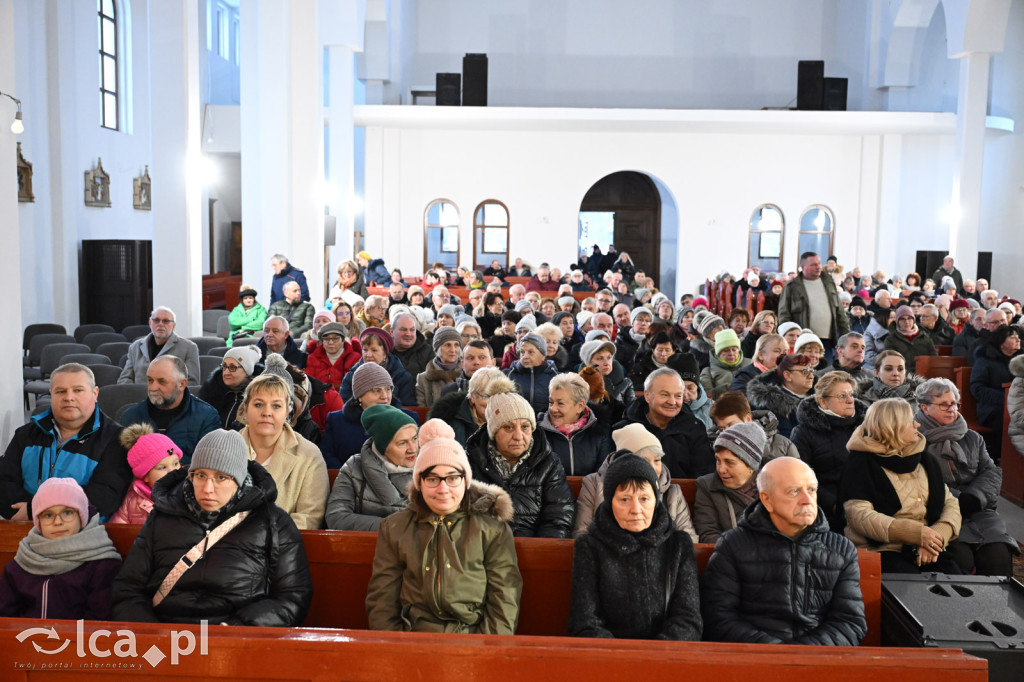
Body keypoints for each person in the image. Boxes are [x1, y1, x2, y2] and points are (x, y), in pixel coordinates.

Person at [111, 429, 313, 625]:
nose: (207, 489)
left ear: (240, 480)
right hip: (167, 637)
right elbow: (128, 589)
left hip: (237, 641)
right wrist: (154, 636)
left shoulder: (273, 522)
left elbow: (292, 596)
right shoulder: (163, 515)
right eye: (200, 475)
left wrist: (240, 628)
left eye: (221, 477)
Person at [366, 431, 522, 633]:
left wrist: (486, 649)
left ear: (465, 481)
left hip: (472, 636)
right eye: (432, 479)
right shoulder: (395, 528)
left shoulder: (491, 528)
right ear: (419, 483)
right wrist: (395, 646)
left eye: (452, 478)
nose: (443, 489)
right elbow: (382, 599)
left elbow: (504, 597)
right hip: (414, 636)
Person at [701, 457, 867, 645]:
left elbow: (849, 622)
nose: (807, 500)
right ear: (767, 500)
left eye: (812, 490)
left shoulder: (840, 549)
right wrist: (776, 653)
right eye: (794, 491)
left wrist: (803, 654)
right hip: (753, 660)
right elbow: (718, 618)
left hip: (818, 661)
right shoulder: (734, 545)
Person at [569, 454, 702, 640]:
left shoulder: (678, 544)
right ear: (609, 502)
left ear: (656, 501)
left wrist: (654, 657)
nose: (636, 509)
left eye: (644, 499)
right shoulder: (590, 546)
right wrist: (622, 660)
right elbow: (585, 621)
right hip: (609, 659)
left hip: (666, 658)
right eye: (625, 499)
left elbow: (688, 619)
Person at [841, 398, 963, 574]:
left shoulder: (925, 459)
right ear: (893, 426)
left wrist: (937, 537)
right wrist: (917, 534)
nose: (917, 425)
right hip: (883, 548)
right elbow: (860, 517)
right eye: (910, 421)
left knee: (956, 585)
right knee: (910, 591)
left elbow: (950, 502)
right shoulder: (861, 463)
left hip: (928, 543)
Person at [0, 364, 131, 521]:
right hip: (25, 526)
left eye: (78, 390)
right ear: (51, 395)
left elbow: (106, 495)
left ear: (94, 393)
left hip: (84, 534)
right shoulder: (25, 434)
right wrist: (28, 514)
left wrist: (37, 510)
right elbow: (4, 481)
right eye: (60, 391)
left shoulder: (116, 439)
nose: (69, 397)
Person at [914, 378, 1017, 576]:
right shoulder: (913, 437)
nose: (951, 408)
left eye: (954, 403)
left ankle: (994, 607)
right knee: (960, 559)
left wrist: (974, 497)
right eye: (944, 404)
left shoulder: (972, 437)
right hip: (938, 513)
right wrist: (955, 500)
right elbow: (916, 479)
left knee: (998, 555)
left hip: (978, 509)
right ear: (925, 408)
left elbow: (991, 472)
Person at [0, 478, 122, 619]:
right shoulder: (20, 564)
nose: (58, 522)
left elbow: (99, 618)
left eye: (68, 512)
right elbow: (5, 616)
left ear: (81, 515)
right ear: (38, 520)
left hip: (79, 639)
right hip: (25, 638)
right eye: (48, 515)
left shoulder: (101, 565)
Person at [465, 392, 575, 537]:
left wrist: (538, 552)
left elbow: (558, 516)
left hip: (533, 550)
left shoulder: (549, 463)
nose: (518, 436)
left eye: (525, 427)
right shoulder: (469, 462)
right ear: (494, 432)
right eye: (508, 427)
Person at [237, 372, 329, 530]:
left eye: (276, 406)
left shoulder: (309, 454)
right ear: (245, 408)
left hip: (281, 547)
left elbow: (309, 517)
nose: (267, 412)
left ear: (287, 411)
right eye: (258, 404)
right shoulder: (225, 447)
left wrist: (258, 536)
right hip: (227, 545)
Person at [574, 424, 696, 540]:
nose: (652, 468)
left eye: (657, 460)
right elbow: (583, 532)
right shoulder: (594, 483)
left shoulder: (673, 492)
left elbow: (688, 538)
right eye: (644, 460)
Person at [789, 371, 868, 531]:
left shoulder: (865, 427)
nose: (850, 400)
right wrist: (833, 505)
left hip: (866, 506)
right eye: (842, 396)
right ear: (823, 402)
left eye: (851, 394)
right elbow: (802, 477)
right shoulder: (804, 432)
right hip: (824, 512)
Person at [326, 405, 421, 530]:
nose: (413, 449)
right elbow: (336, 516)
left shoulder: (429, 466)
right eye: (402, 443)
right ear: (383, 448)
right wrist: (392, 527)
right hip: (367, 545)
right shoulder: (354, 466)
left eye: (414, 439)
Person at [615, 368, 715, 478]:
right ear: (648, 396)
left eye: (678, 396)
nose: (672, 402)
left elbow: (704, 474)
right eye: (664, 395)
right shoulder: (625, 430)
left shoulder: (694, 428)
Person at [120, 356, 221, 463]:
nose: (153, 388)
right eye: (150, 380)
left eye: (162, 382)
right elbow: (120, 466)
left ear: (181, 384)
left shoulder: (206, 416)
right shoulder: (131, 416)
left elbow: (208, 465)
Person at [320, 363, 419, 468]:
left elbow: (418, 457)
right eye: (377, 390)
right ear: (359, 396)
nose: (385, 396)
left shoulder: (409, 419)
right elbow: (327, 457)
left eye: (388, 389)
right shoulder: (337, 421)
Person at [693, 422, 767, 545]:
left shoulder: (773, 485)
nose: (721, 469)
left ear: (751, 465)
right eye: (718, 460)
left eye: (730, 462)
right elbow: (708, 534)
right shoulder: (707, 486)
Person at [538, 373, 614, 477]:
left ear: (580, 406)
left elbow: (603, 475)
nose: (553, 409)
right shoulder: (538, 432)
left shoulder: (600, 431)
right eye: (551, 402)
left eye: (560, 403)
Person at [777, 252, 850, 360]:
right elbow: (784, 315)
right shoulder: (792, 286)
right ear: (803, 267)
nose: (818, 267)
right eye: (813, 265)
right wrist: (789, 339)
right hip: (803, 342)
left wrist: (845, 337)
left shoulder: (829, 282)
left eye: (819, 263)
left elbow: (839, 311)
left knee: (826, 374)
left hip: (828, 341)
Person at [110, 425, 183, 524]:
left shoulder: (189, 493)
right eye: (162, 467)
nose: (172, 471)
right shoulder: (132, 500)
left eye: (175, 464)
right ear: (146, 476)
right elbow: (117, 529)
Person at [429, 368, 517, 446]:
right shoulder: (450, 423)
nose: (493, 402)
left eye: (498, 396)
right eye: (487, 396)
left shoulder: (514, 419)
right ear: (473, 396)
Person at [118, 306, 202, 387]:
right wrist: (132, 394)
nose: (160, 324)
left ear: (173, 326)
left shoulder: (189, 348)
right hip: (139, 397)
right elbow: (125, 378)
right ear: (150, 323)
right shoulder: (135, 346)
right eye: (156, 320)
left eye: (166, 321)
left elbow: (192, 383)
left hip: (170, 399)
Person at [971, 324, 1021, 456]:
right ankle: (1002, 458)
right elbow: (977, 388)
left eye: (1018, 337)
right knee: (1008, 420)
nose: (1018, 340)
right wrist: (1005, 398)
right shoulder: (985, 360)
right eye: (1012, 337)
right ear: (1001, 342)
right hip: (992, 409)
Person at [339, 327, 416, 406]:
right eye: (365, 350)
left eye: (374, 350)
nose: (368, 355)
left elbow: (407, 408)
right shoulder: (352, 374)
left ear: (385, 353)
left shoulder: (401, 377)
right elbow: (343, 403)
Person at [746, 353, 816, 438]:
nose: (811, 376)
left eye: (811, 371)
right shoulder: (774, 405)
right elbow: (788, 442)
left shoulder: (822, 396)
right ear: (787, 375)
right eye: (804, 372)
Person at [199, 345, 264, 429]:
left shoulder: (260, 396)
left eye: (233, 367)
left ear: (248, 371)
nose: (226, 372)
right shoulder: (210, 394)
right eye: (224, 366)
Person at [504, 332, 559, 415]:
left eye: (531, 352)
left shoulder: (556, 377)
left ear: (543, 355)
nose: (525, 356)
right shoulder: (507, 375)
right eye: (522, 352)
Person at [414, 326, 463, 408]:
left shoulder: (468, 375)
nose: (453, 350)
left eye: (456, 345)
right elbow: (422, 411)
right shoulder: (423, 379)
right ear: (438, 348)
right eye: (448, 345)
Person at [304, 321, 361, 391]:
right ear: (322, 341)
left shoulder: (355, 358)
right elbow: (309, 385)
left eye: (335, 339)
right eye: (326, 339)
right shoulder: (312, 359)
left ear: (343, 340)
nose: (330, 342)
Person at [699, 328, 751, 400]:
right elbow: (706, 397)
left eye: (734, 349)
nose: (731, 353)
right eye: (726, 350)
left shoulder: (751, 364)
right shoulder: (707, 372)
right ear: (718, 353)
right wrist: (725, 388)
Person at [883, 305, 935, 373]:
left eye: (909, 318)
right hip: (902, 375)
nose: (907, 322)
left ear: (914, 320)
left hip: (925, 373)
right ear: (897, 321)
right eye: (902, 319)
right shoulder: (890, 339)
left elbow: (933, 357)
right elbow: (892, 361)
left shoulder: (924, 336)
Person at [390, 311, 433, 380]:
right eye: (403, 329)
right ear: (392, 332)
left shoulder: (428, 352)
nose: (408, 334)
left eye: (412, 330)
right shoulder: (383, 352)